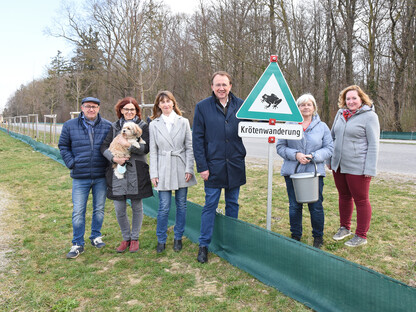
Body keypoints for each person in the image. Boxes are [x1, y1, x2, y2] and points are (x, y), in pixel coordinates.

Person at [192, 71, 246, 263]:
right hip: (213, 166)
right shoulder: (202, 107)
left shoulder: (242, 105)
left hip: (235, 164)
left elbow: (257, 123)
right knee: (210, 205)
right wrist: (202, 167)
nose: (221, 88)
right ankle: (204, 245)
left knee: (233, 204)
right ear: (212, 87)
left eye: (224, 84)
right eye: (217, 85)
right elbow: (197, 139)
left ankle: (232, 242)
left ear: (230, 86)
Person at [276, 94, 333, 249]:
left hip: (314, 173)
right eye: (302, 105)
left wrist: (314, 156)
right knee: (294, 205)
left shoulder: (322, 127)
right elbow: (280, 147)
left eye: (309, 104)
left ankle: (318, 237)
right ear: (298, 107)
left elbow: (329, 148)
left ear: (314, 107)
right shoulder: (288, 125)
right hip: (292, 171)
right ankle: (295, 235)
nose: (306, 107)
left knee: (315, 205)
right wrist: (296, 155)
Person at [59, 96, 112, 259]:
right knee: (78, 211)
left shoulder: (107, 126)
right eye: (88, 106)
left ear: (98, 109)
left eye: (95, 106)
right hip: (80, 176)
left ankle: (95, 236)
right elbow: (63, 146)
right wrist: (71, 163)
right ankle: (77, 243)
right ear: (82, 108)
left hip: (100, 175)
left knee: (99, 209)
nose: (91, 109)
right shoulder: (70, 125)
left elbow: (112, 147)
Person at [329, 85, 380, 247]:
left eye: (354, 98)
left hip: (358, 167)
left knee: (361, 200)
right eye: (347, 98)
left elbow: (374, 144)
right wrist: (330, 160)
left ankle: (361, 235)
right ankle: (345, 228)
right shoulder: (340, 114)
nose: (350, 101)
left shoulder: (370, 117)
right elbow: (332, 137)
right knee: (344, 197)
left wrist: (370, 169)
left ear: (361, 99)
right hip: (339, 165)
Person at [100, 97, 153, 253]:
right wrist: (114, 158)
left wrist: (128, 145)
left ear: (136, 111)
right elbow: (103, 146)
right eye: (126, 109)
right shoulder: (114, 127)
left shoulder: (143, 126)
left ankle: (135, 238)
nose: (129, 112)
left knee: (137, 207)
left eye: (132, 109)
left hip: (137, 171)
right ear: (121, 111)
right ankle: (126, 238)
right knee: (119, 208)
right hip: (117, 171)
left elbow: (146, 148)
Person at [149, 91, 197, 253]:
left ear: (173, 103)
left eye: (168, 101)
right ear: (158, 105)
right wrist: (153, 173)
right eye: (162, 102)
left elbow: (189, 147)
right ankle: (161, 239)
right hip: (163, 167)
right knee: (163, 206)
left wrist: (189, 168)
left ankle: (178, 237)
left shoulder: (183, 122)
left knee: (181, 205)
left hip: (180, 165)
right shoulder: (154, 124)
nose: (166, 104)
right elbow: (153, 151)